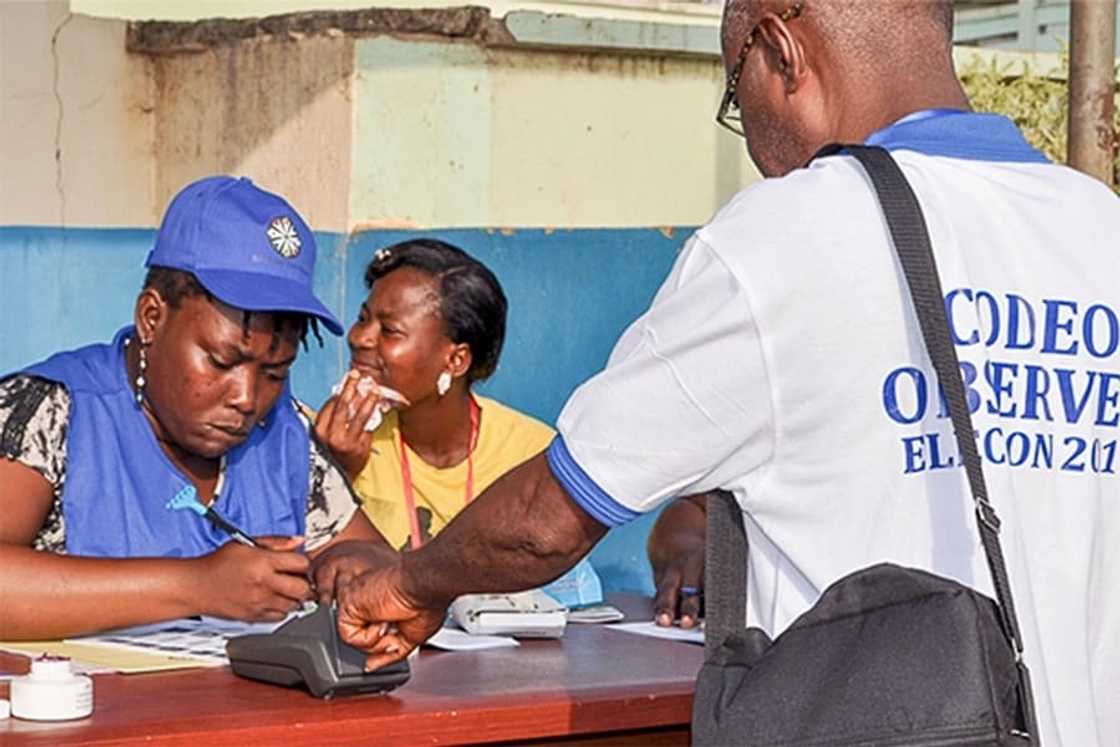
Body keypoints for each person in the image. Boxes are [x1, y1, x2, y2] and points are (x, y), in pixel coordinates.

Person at [323, 2, 1118, 743]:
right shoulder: (1100, 228)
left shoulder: (785, 236)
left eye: (736, 93)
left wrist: (409, 585)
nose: (748, 137)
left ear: (778, 51)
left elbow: (549, 517)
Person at [0, 176, 390, 640]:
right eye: (221, 361)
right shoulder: (53, 411)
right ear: (151, 318)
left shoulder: (283, 432)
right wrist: (196, 585)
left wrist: (351, 569)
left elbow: (378, 560)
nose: (246, 398)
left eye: (275, 372)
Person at [309, 239, 554, 554]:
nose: (358, 338)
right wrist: (334, 471)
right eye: (362, 318)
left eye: (390, 331)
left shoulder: (531, 456)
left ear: (455, 361)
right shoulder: (336, 439)